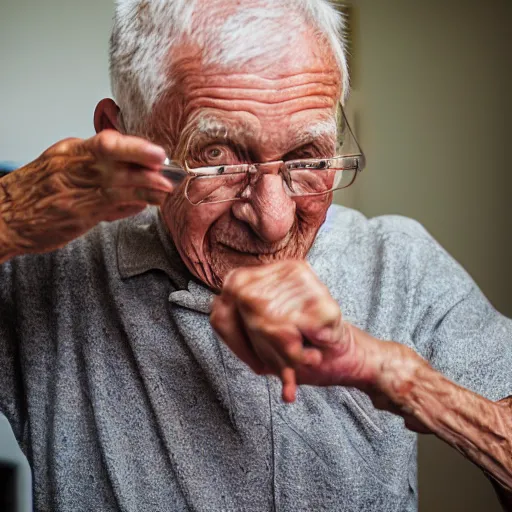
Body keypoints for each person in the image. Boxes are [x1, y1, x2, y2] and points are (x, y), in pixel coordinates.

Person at [0, 0, 511, 510]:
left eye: (306, 157)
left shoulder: (398, 263)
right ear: (121, 134)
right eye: (217, 157)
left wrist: (392, 373)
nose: (273, 222)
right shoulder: (48, 270)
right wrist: (9, 214)